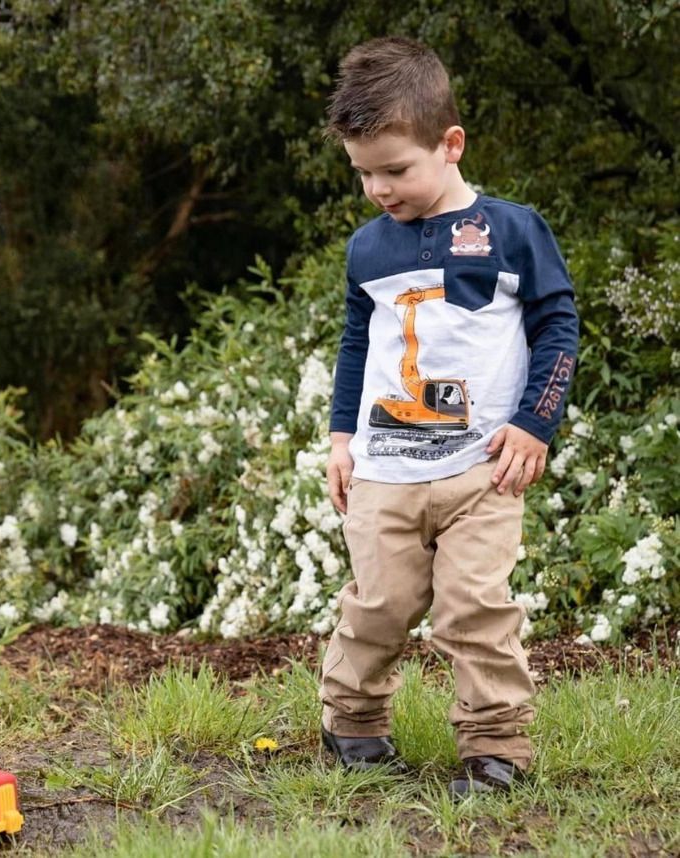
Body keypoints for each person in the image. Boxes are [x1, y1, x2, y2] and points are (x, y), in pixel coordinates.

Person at [319, 36, 579, 797]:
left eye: (394, 169)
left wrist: (535, 422)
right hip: (383, 473)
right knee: (377, 606)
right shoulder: (367, 249)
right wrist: (341, 439)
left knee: (476, 609)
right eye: (362, 172)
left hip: (480, 471)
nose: (376, 188)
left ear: (449, 144)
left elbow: (556, 327)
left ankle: (495, 750)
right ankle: (352, 726)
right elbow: (355, 342)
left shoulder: (512, 231)